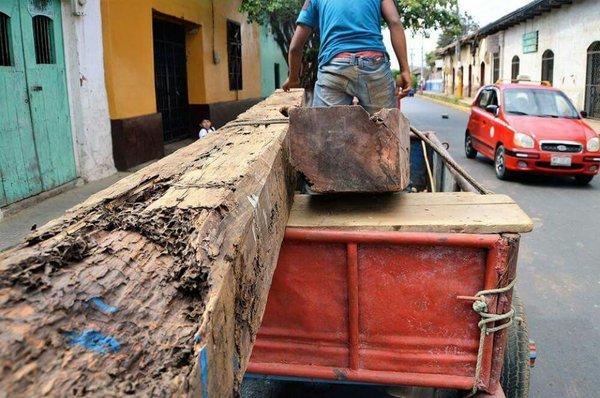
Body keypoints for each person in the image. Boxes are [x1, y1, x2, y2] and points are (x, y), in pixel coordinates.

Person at [282, 0, 412, 114]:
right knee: (385, 132)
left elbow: (295, 47)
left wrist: (293, 78)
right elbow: (395, 22)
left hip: (334, 68)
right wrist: (405, 69)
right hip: (375, 66)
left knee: (326, 135)